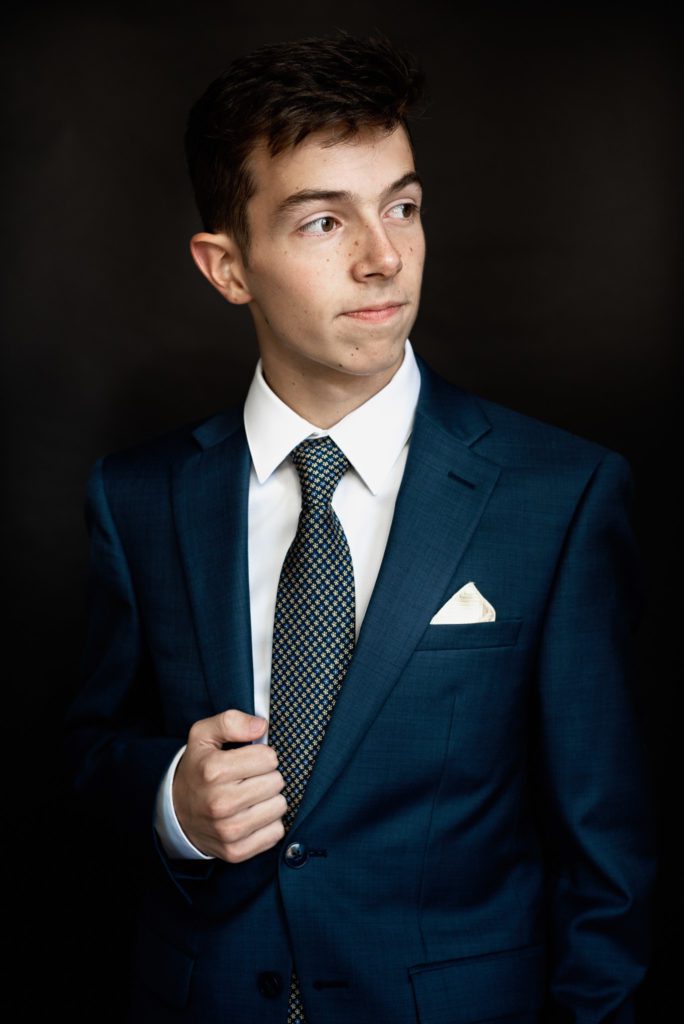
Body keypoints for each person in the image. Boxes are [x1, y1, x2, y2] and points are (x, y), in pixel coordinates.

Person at [63, 31, 655, 1024]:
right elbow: (87, 757)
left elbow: (608, 861)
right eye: (323, 222)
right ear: (227, 267)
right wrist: (172, 800)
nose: (384, 258)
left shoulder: (561, 496)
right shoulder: (138, 498)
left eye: (403, 207)